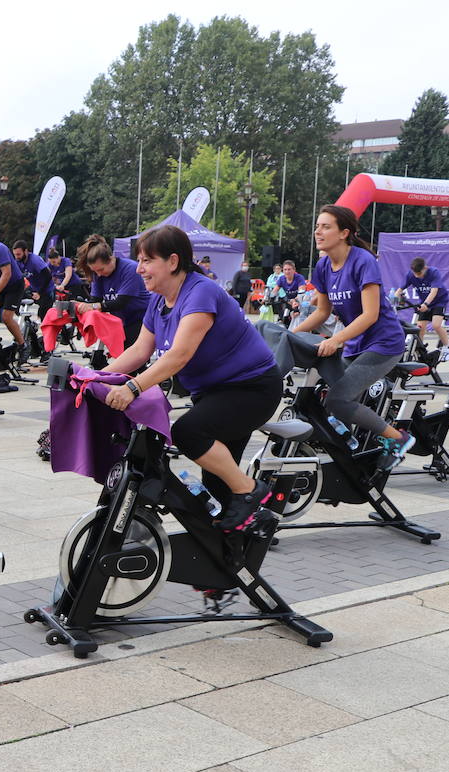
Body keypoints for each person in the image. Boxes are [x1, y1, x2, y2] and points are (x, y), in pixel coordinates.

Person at [102, 225, 283, 531]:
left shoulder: (200, 292)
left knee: (188, 434)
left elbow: (178, 356)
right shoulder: (158, 302)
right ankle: (245, 537)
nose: (140, 269)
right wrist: (94, 378)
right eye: (140, 260)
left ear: (172, 262)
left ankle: (251, 491)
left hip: (252, 388)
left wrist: (132, 387)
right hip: (215, 393)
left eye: (147, 260)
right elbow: (139, 349)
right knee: (218, 490)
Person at [297, 205, 414, 468]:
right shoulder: (323, 266)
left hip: (384, 343)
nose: (318, 231)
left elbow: (370, 315)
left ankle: (398, 439)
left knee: (339, 400)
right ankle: (350, 452)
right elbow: (322, 312)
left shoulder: (362, 260)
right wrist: (288, 335)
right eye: (317, 226)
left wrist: (335, 339)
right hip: (356, 342)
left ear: (344, 233)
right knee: (330, 397)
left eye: (326, 226)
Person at [75, 235, 151, 348]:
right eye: (95, 271)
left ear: (111, 259)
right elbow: (95, 300)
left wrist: (92, 306)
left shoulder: (130, 269)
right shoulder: (98, 274)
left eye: (101, 269)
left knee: (134, 360)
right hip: (120, 319)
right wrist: (80, 306)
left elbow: (120, 302)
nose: (99, 274)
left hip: (141, 318)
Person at [403, 256, 449, 346]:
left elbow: (434, 291)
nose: (417, 276)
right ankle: (420, 350)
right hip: (424, 302)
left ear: (425, 268)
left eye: (419, 273)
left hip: (439, 301)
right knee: (419, 328)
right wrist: (393, 299)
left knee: (436, 325)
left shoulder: (434, 272)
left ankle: (447, 347)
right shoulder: (410, 274)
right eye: (415, 273)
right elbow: (399, 290)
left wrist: (426, 304)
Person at [12, 240, 54, 322]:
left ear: (26, 251)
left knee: (44, 316)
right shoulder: (18, 261)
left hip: (46, 289)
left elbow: (48, 276)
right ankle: (28, 323)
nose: (17, 257)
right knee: (17, 297)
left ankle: (62, 330)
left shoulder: (35, 260)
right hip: (33, 287)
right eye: (15, 255)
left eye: (19, 254)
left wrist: (39, 293)